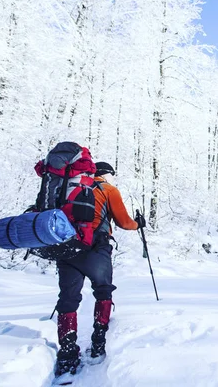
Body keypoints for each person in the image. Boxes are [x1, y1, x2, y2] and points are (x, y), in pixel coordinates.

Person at [55, 161, 146, 376]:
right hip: (96, 247)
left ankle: (67, 354)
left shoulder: (69, 186)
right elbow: (124, 222)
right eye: (113, 175)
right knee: (103, 290)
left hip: (66, 248)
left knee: (68, 298)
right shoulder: (108, 189)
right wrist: (138, 223)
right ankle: (98, 341)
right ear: (107, 174)